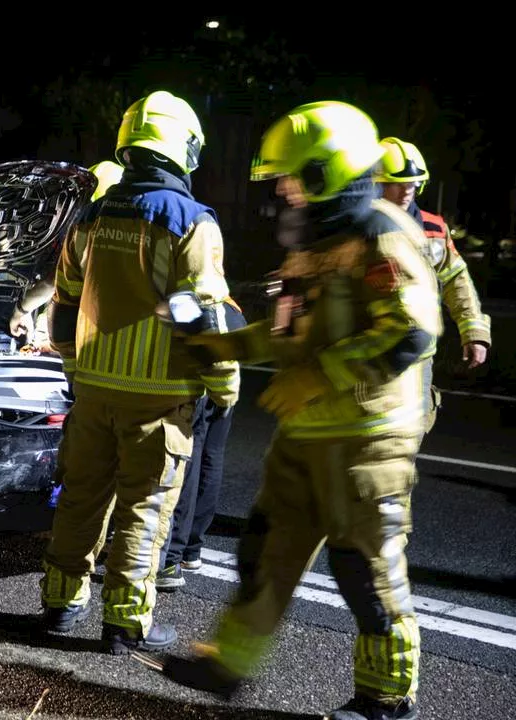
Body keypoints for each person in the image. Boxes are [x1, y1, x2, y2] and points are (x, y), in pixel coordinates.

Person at [168, 101, 441, 720]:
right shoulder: (313, 241)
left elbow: (410, 332)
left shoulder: (381, 233)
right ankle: (227, 666)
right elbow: (289, 331)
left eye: (292, 180)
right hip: (306, 436)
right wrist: (222, 344)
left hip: (367, 439)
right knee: (264, 552)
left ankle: (386, 700)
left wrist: (320, 376)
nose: (284, 193)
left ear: (329, 171)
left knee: (366, 574)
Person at [37, 90, 236, 656]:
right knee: (143, 509)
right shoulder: (192, 223)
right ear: (181, 149)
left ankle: (58, 605)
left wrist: (77, 370)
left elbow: (64, 306)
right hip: (160, 396)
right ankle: (125, 625)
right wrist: (225, 386)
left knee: (80, 500)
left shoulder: (93, 215)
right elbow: (202, 314)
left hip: (94, 390)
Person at [374, 137, 492, 433]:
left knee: (411, 429)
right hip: (369, 350)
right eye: (396, 183)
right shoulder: (360, 229)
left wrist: (474, 331)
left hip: (418, 352)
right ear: (375, 184)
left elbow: (455, 279)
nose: (406, 191)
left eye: (413, 184)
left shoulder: (434, 229)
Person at [155, 296, 245, 591]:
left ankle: (171, 555)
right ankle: (191, 549)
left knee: (188, 458)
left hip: (204, 363)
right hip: (227, 358)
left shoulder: (189, 290)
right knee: (211, 456)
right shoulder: (228, 301)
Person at [10, 159, 126, 358]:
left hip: (86, 351)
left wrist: (20, 312)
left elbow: (54, 281)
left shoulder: (90, 233)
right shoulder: (139, 238)